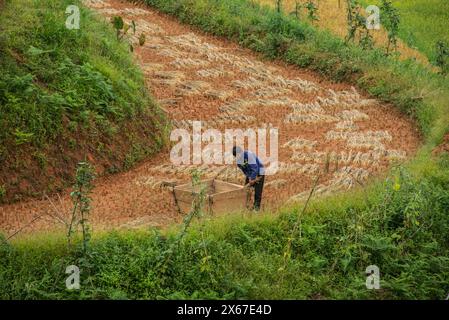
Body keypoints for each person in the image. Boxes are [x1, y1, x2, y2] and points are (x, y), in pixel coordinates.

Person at [232, 146, 265, 211]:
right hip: (250, 174)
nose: (238, 157)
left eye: (239, 154)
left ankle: (256, 209)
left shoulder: (249, 155)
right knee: (246, 190)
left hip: (259, 172)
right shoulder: (239, 163)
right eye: (236, 156)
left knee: (258, 192)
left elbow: (255, 168)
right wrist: (250, 177)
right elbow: (245, 171)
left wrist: (253, 178)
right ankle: (246, 207)